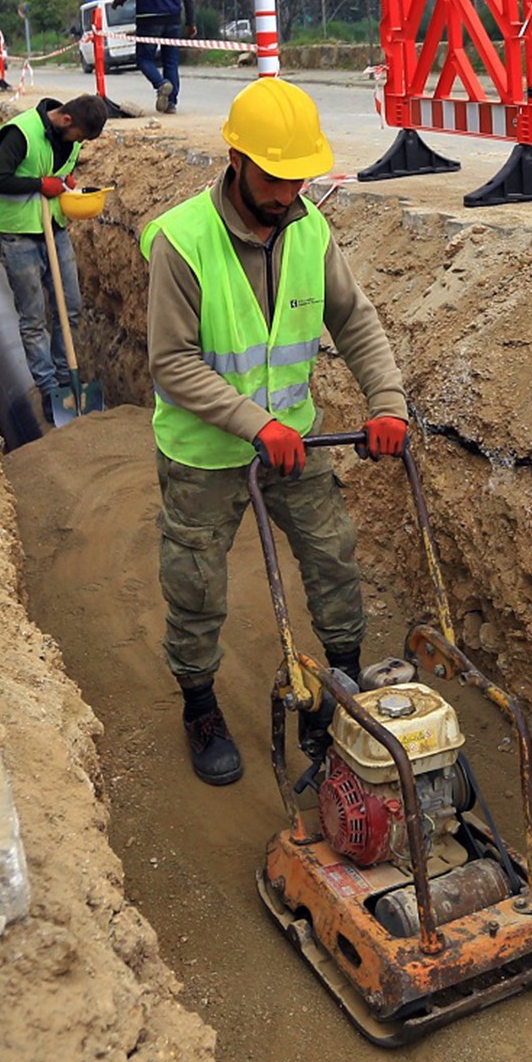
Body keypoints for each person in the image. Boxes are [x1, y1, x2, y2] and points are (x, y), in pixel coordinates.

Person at [140, 77, 407, 787]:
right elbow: (171, 361)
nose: (287, 195)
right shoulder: (181, 242)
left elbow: (353, 319)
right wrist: (250, 422)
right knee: (195, 582)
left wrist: (387, 402)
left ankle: (345, 683)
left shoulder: (308, 228)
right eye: (273, 178)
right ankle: (199, 703)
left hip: (294, 440)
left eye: (298, 180)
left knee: (332, 554)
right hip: (204, 453)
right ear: (235, 158)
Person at [0, 93, 111, 426]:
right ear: (66, 120)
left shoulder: (71, 139)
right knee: (34, 316)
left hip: (55, 230)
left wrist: (65, 183)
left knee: (71, 307)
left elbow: (59, 172)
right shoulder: (21, 133)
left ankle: (67, 381)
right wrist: (40, 184)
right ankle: (48, 388)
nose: (80, 143)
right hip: (19, 236)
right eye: (80, 136)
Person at [115, 0, 192, 116]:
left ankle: (161, 84)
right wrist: (191, 22)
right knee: (171, 62)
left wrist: (118, 3)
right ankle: (171, 103)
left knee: (144, 59)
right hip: (174, 19)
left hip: (148, 19)